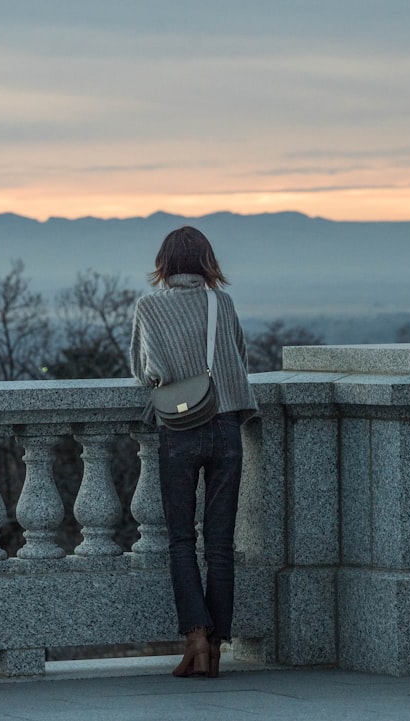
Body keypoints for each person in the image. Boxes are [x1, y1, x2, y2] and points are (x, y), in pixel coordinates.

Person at [130, 225, 257, 678]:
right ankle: (218, 645)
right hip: (224, 425)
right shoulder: (220, 303)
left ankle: (195, 637)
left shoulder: (149, 307)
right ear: (207, 262)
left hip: (179, 430)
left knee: (181, 539)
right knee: (220, 544)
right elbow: (238, 359)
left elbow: (146, 372)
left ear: (164, 263)